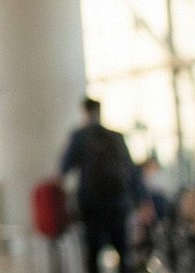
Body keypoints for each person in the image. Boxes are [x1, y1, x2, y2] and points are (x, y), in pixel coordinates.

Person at [61, 98, 143, 273]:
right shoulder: (116, 137)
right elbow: (132, 171)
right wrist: (141, 201)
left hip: (92, 205)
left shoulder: (80, 137)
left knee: (93, 256)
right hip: (119, 203)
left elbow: (64, 168)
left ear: (85, 113)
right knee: (123, 253)